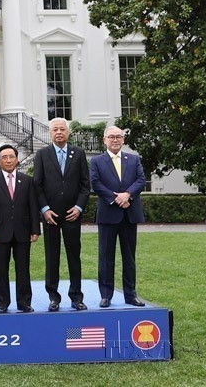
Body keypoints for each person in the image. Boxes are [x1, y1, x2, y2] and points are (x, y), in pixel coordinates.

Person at [33, 117, 91, 311]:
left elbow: (85, 185)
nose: (59, 132)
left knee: (74, 256)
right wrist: (44, 209)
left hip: (72, 215)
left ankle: (76, 297)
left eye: (62, 129)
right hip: (51, 216)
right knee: (52, 257)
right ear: (50, 133)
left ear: (68, 132)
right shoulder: (42, 154)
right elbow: (37, 185)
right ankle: (53, 297)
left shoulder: (79, 153)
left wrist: (79, 208)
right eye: (55, 130)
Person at [90, 125, 146, 307]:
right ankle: (106, 295)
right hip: (108, 214)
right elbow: (95, 183)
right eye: (111, 137)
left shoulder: (134, 159)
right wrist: (116, 199)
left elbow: (141, 180)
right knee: (106, 257)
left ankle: (131, 294)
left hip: (129, 214)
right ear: (104, 140)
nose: (115, 140)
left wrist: (127, 195)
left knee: (129, 258)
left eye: (119, 137)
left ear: (123, 140)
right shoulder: (97, 161)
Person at [0, 144, 40, 313]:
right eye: (4, 157)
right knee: (0, 270)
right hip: (0, 232)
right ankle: (2, 303)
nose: (8, 160)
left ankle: (24, 302)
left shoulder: (27, 180)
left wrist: (35, 229)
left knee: (23, 269)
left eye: (11, 157)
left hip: (23, 231)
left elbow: (33, 206)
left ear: (17, 159)